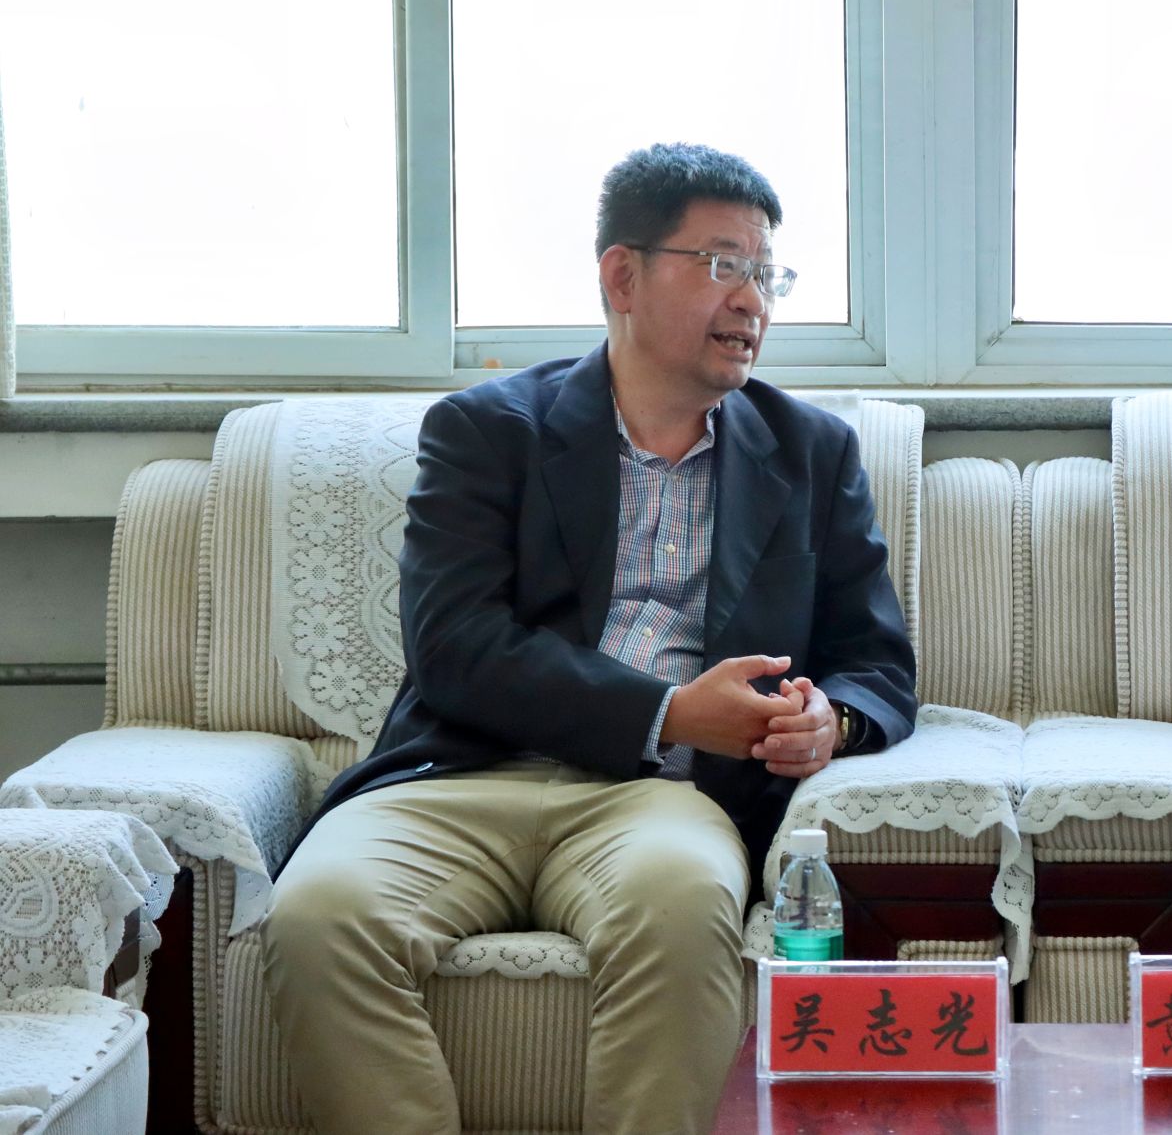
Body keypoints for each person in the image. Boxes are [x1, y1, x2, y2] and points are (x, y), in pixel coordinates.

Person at [262, 142, 917, 1135]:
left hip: (658, 803)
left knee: (684, 907)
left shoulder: (811, 452)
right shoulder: (489, 430)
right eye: (723, 264)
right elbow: (455, 645)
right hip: (459, 776)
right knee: (319, 917)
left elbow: (876, 660)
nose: (752, 301)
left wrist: (832, 721)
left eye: (766, 273)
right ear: (622, 275)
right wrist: (668, 710)